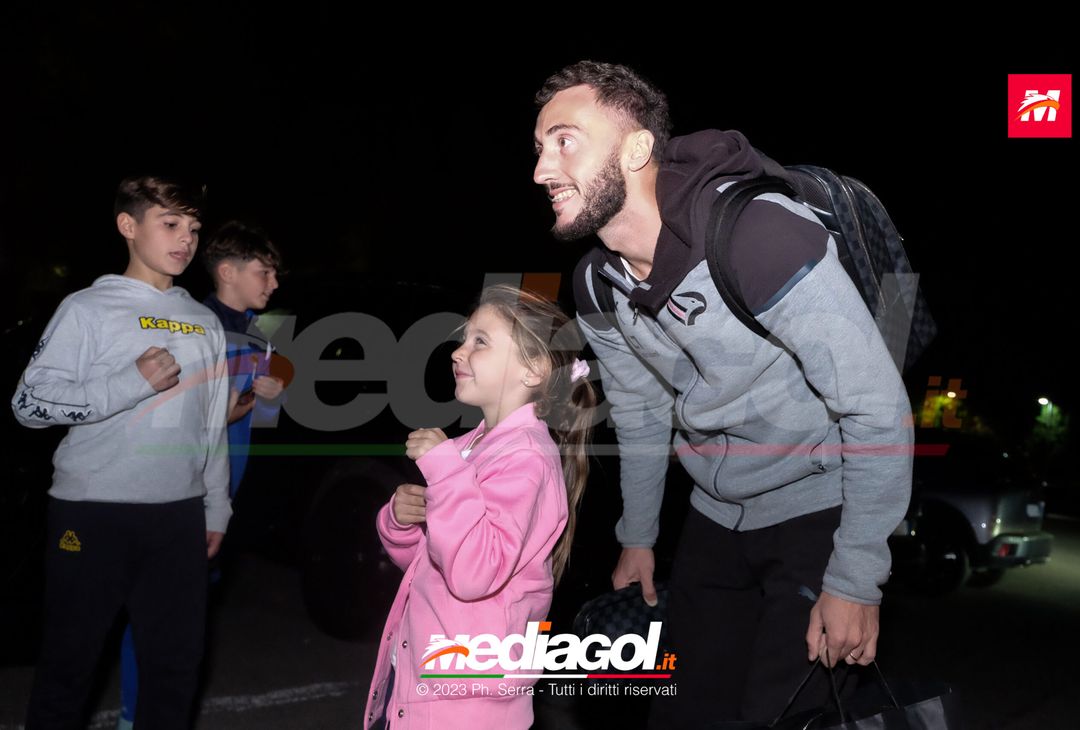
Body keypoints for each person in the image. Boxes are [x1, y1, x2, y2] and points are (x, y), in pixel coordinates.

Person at [532, 61, 913, 726]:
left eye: (564, 141)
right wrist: (640, 538)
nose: (541, 170)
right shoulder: (598, 285)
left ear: (637, 148)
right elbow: (644, 413)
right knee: (680, 710)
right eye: (539, 147)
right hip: (714, 514)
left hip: (818, 508)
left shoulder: (756, 234)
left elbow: (876, 408)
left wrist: (855, 580)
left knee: (783, 715)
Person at [12, 175, 231, 730]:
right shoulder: (87, 308)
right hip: (93, 513)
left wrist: (215, 507)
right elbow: (29, 404)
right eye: (171, 223)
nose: (186, 239)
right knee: (70, 666)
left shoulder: (205, 320)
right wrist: (127, 383)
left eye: (195, 228)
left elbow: (211, 428)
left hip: (178, 518)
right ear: (128, 226)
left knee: (174, 669)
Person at [363, 285, 596, 730]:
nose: (458, 351)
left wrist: (445, 473)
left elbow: (474, 573)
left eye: (480, 342)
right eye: (464, 338)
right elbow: (433, 565)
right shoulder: (470, 447)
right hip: (422, 683)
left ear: (532, 370)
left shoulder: (527, 458)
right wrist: (401, 523)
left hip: (466, 706)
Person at [115, 219, 285, 729]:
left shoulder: (257, 334)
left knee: (185, 618)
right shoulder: (196, 326)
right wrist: (251, 398)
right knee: (155, 612)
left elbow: (256, 420)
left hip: (219, 498)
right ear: (228, 272)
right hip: (180, 493)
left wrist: (266, 399)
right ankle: (131, 713)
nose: (273, 282)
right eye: (265, 271)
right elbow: (200, 413)